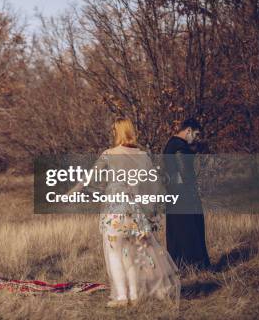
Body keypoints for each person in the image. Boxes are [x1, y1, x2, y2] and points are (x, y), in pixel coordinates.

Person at [70, 118, 180, 308]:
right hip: (136, 215)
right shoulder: (143, 156)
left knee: (115, 254)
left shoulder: (109, 154)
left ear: (117, 132)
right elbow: (153, 187)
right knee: (130, 256)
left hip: (114, 213)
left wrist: (74, 191)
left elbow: (89, 179)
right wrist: (153, 213)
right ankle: (135, 296)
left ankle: (121, 297)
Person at [163, 118, 211, 269]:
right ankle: (195, 266)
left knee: (177, 232)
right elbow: (185, 175)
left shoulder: (171, 144)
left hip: (174, 195)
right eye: (196, 134)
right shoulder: (179, 147)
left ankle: (180, 266)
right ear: (188, 130)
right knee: (189, 231)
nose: (197, 138)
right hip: (184, 197)